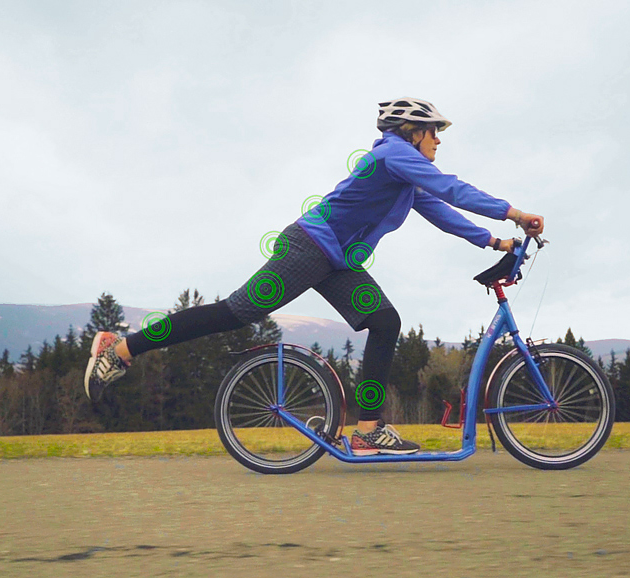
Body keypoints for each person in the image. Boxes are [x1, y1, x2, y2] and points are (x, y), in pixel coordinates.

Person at [84, 97, 544, 455]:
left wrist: (494, 241)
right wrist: (514, 213)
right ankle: (121, 347)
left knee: (385, 322)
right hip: (307, 248)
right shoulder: (394, 156)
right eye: (434, 134)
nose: (439, 142)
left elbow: (442, 210)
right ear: (413, 132)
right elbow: (451, 187)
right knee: (235, 313)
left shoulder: (404, 174)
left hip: (338, 261)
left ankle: (368, 430)